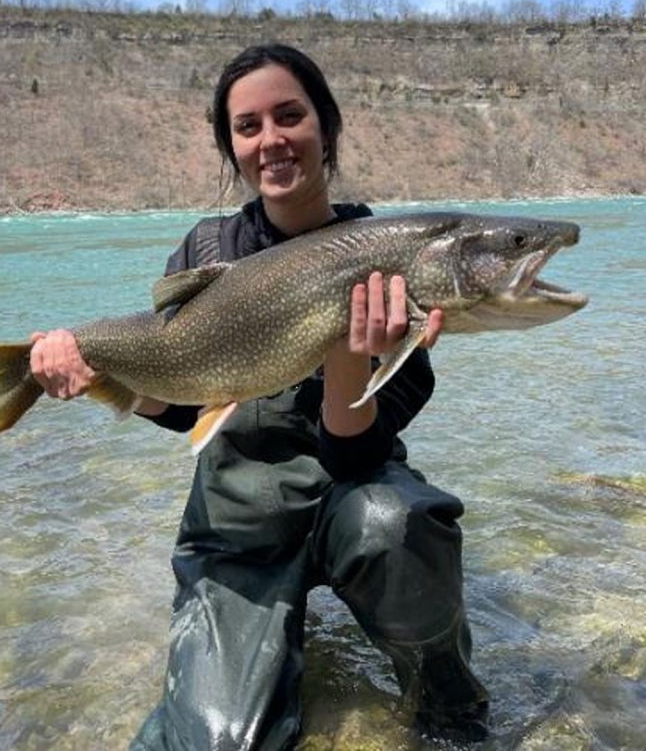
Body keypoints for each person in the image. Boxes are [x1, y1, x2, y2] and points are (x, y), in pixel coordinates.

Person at [29, 43, 490, 749]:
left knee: (399, 525)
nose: (271, 139)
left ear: (325, 127)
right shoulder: (205, 251)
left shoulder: (392, 263)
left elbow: (357, 451)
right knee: (215, 741)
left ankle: (448, 711)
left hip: (349, 498)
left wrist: (347, 351)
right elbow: (186, 408)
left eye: (289, 115)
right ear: (233, 149)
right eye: (248, 127)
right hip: (237, 524)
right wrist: (100, 381)